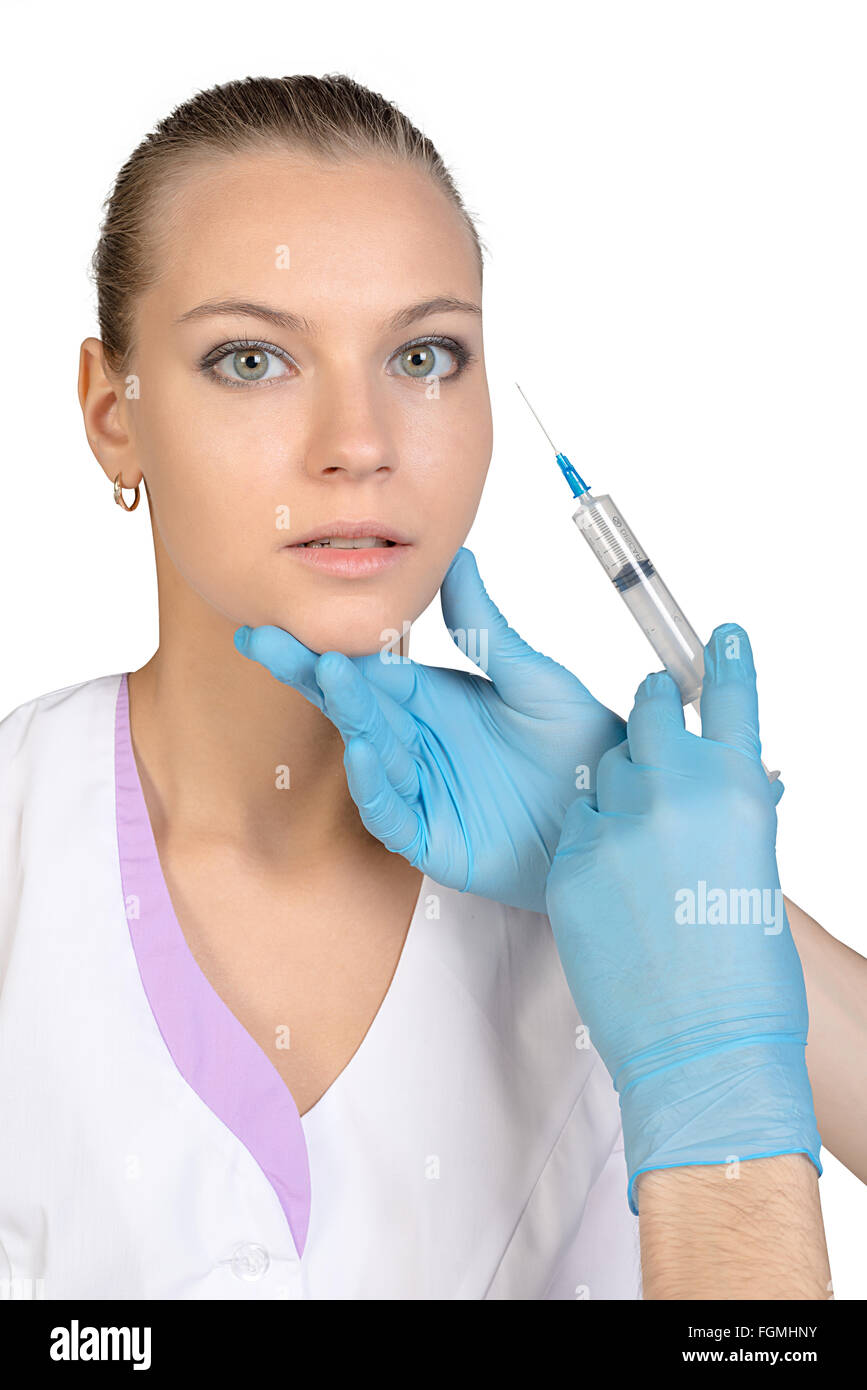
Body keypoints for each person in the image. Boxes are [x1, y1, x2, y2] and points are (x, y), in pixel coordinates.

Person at [0, 73, 861, 1301]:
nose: (361, 441)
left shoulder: (620, 883)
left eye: (422, 354)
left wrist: (730, 925)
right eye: (253, 358)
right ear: (111, 413)